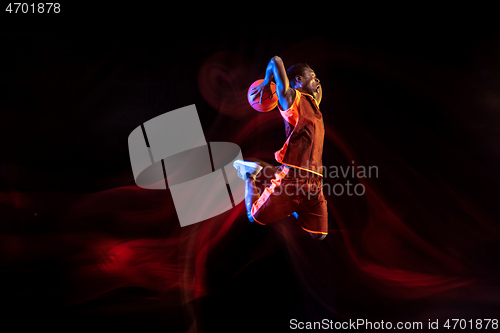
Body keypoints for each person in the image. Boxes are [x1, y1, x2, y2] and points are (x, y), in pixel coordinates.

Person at [233, 56, 327, 241]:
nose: (317, 80)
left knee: (319, 236)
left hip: (315, 181)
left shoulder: (314, 105)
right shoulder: (291, 98)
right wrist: (269, 81)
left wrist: (314, 82)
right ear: (298, 80)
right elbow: (276, 60)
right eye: (312, 76)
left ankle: (292, 206)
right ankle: (249, 174)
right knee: (254, 217)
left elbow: (317, 89)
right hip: (292, 178)